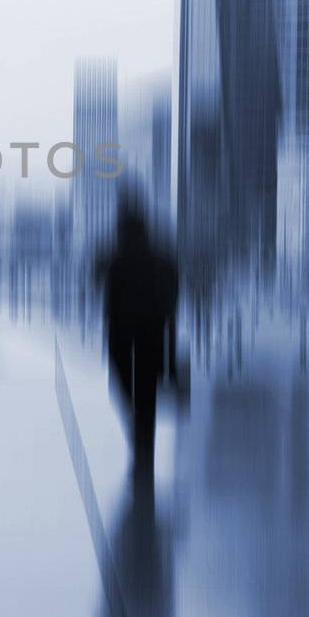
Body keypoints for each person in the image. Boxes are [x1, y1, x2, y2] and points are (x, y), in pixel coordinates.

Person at [98, 202, 180, 475]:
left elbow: (101, 286)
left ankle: (139, 434)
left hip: (122, 334)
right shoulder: (162, 260)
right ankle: (145, 442)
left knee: (126, 388)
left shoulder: (116, 259)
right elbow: (172, 300)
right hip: (153, 335)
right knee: (148, 392)